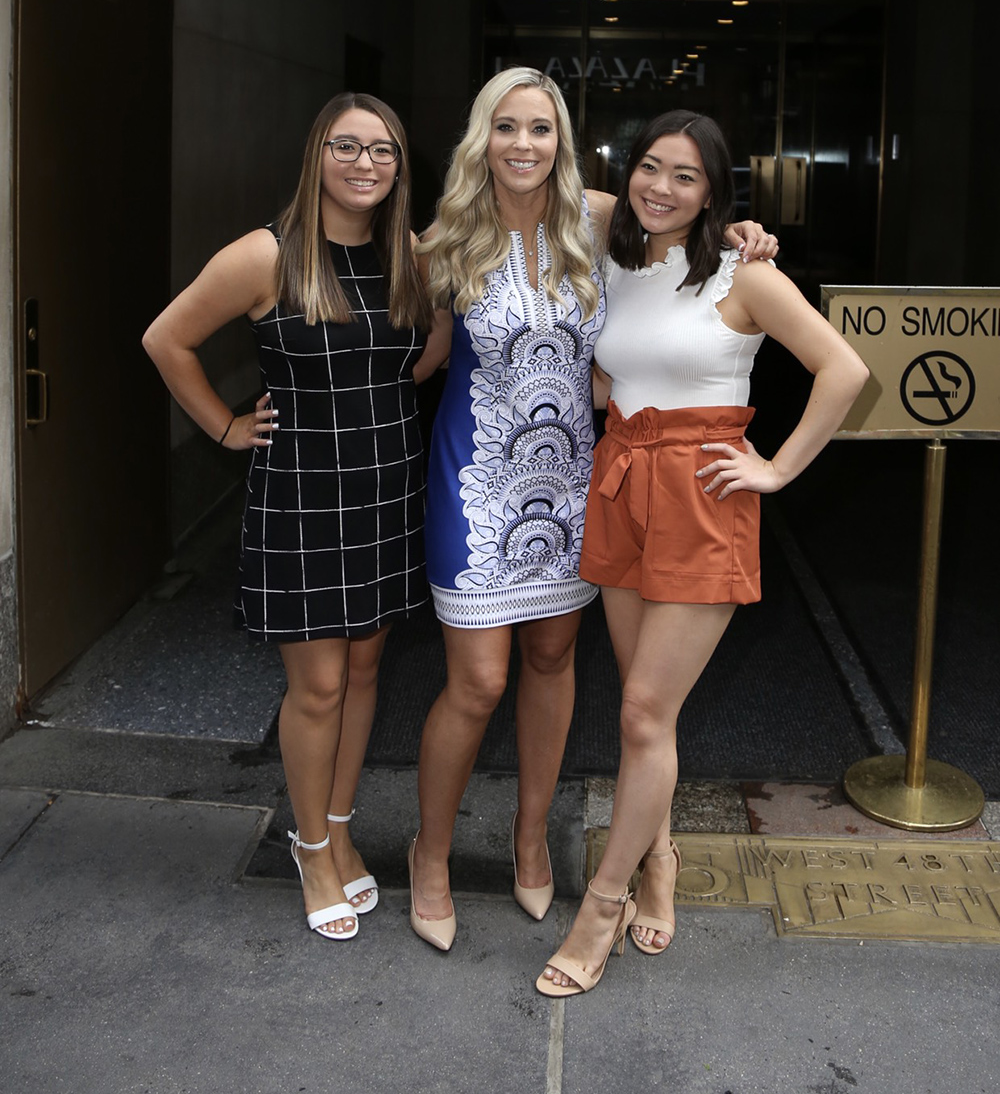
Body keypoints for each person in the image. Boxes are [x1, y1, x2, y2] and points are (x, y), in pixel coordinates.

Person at [408, 68, 776, 950]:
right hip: (477, 481)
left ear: (562, 143)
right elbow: (415, 358)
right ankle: (431, 854)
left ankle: (533, 838)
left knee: (552, 653)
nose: (524, 145)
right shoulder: (439, 242)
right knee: (479, 679)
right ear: (481, 139)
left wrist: (745, 236)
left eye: (541, 129)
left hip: (577, 477)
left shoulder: (600, 216)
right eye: (506, 127)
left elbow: (681, 214)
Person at [536, 109, 869, 995]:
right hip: (622, 485)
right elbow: (547, 175)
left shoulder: (744, 273)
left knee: (642, 713)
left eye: (686, 177)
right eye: (650, 168)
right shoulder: (616, 247)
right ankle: (661, 858)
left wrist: (775, 470)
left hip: (701, 495)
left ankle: (602, 902)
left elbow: (846, 372)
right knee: (652, 714)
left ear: (716, 192)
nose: (661, 188)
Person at [143, 93, 436, 940]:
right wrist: (228, 426)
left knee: (369, 673)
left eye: (382, 150)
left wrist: (368, 400)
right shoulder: (267, 256)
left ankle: (340, 832)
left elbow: (428, 350)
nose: (365, 164)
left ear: (399, 167)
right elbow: (167, 339)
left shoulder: (410, 257)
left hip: (385, 487)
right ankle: (309, 847)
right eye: (347, 147)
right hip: (302, 493)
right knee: (319, 685)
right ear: (318, 156)